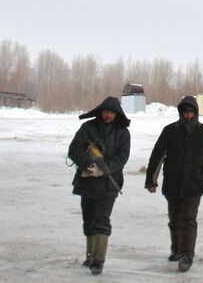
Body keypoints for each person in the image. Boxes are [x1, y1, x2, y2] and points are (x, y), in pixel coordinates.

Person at [145, 96, 203, 273]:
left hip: (194, 185)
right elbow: (157, 156)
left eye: (191, 112)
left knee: (188, 220)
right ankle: (177, 249)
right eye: (185, 112)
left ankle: (187, 255)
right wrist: (151, 180)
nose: (188, 115)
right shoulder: (170, 131)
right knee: (174, 219)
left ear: (196, 113)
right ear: (180, 113)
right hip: (172, 183)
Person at [68, 96, 131, 275]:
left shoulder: (122, 132)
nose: (108, 115)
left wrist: (105, 169)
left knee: (102, 221)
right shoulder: (88, 128)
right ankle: (90, 256)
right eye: (106, 111)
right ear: (101, 111)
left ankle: (98, 260)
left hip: (109, 185)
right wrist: (88, 164)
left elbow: (122, 156)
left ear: (117, 113)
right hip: (86, 182)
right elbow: (74, 149)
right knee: (88, 220)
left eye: (111, 112)